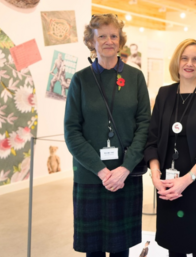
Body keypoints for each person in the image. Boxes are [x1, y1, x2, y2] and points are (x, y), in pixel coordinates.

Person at [64, 14, 151, 257]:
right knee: (93, 249)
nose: (108, 41)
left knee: (121, 248)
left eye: (114, 35)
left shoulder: (135, 78)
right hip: (91, 176)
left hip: (126, 175)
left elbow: (145, 125)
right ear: (92, 42)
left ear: (120, 41)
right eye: (101, 36)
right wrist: (102, 171)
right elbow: (71, 131)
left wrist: (124, 168)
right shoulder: (80, 80)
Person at [144, 39, 196, 257]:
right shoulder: (164, 94)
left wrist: (186, 179)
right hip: (168, 183)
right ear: (177, 62)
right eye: (185, 58)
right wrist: (155, 176)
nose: (189, 63)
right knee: (174, 246)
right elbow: (151, 139)